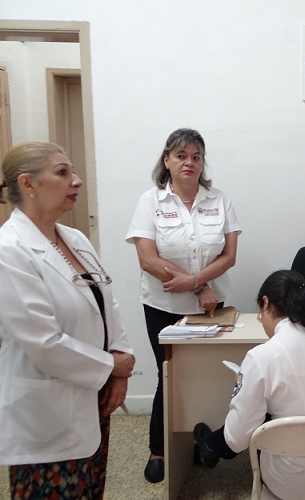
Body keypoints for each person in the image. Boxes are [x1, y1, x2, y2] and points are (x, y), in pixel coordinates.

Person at [0, 142, 135, 499]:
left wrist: (119, 365)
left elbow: (108, 303)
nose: (76, 181)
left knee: (90, 488)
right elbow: (44, 343)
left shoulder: (73, 238)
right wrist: (112, 366)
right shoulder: (9, 250)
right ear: (27, 184)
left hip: (94, 396)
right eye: (62, 173)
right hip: (46, 413)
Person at [126, 128, 241, 483]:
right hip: (162, 305)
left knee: (206, 374)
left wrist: (196, 284)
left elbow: (230, 255)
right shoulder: (151, 201)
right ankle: (159, 450)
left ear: (202, 162)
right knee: (168, 376)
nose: (189, 162)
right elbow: (147, 258)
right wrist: (199, 285)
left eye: (196, 156)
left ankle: (202, 441)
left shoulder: (219, 200)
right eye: (181, 156)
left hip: (210, 306)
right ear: (167, 161)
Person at [192, 270, 305, 500]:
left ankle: (209, 446)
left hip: (298, 485)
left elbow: (235, 441)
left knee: (255, 416)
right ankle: (211, 445)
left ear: (266, 303)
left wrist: (242, 389)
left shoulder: (262, 357)